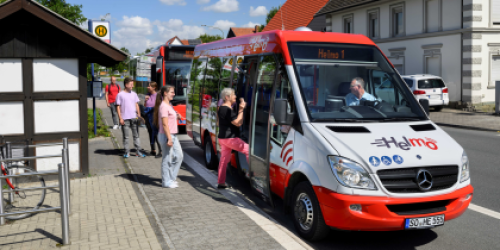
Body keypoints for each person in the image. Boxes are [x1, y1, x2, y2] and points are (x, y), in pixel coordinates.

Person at [217, 88, 248, 189]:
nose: (235, 96)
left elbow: (219, 123)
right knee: (248, 150)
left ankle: (221, 182)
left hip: (222, 138)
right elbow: (238, 123)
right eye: (233, 94)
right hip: (230, 138)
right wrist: (241, 109)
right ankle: (255, 175)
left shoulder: (221, 108)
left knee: (223, 160)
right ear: (227, 97)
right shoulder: (227, 110)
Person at [154, 85, 184, 188]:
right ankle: (166, 182)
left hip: (173, 135)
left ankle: (171, 178)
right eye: (172, 92)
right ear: (165, 93)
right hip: (167, 135)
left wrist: (177, 115)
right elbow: (165, 124)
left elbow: (171, 116)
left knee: (179, 156)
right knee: (167, 159)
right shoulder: (163, 106)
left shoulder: (169, 105)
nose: (174, 94)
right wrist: (169, 139)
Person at [116, 77, 146, 158]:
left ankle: (138, 151)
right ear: (126, 85)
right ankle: (127, 152)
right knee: (126, 136)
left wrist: (139, 115)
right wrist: (120, 118)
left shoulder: (134, 94)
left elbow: (136, 104)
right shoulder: (120, 95)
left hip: (134, 118)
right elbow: (118, 107)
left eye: (133, 84)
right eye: (131, 84)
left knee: (136, 136)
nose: (132, 86)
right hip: (125, 118)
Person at [143, 82, 162, 157]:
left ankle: (160, 151)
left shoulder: (159, 95)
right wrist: (145, 100)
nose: (148, 87)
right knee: (150, 132)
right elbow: (145, 105)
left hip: (155, 116)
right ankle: (153, 150)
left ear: (154, 87)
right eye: (148, 86)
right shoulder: (147, 95)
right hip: (148, 117)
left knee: (156, 133)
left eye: (149, 86)